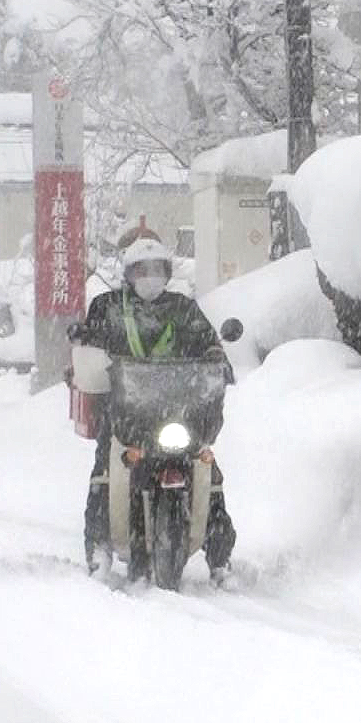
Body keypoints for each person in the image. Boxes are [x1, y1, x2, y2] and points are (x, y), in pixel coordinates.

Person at [78, 230, 237, 583]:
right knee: (104, 469)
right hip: (126, 412)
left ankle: (220, 559)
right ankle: (98, 548)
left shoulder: (182, 308)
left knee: (209, 471)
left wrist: (217, 357)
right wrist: (84, 349)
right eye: (141, 269)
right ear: (128, 274)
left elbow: (208, 341)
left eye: (156, 269)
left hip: (178, 410)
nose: (149, 276)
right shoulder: (108, 307)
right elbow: (90, 343)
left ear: (167, 272)